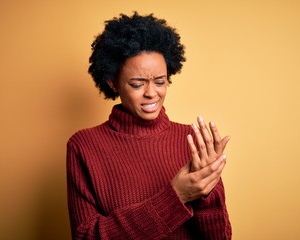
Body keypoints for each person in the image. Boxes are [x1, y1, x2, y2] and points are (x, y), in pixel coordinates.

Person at [66, 12, 232, 240]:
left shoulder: (193, 141)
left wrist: (207, 192)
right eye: (137, 84)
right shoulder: (84, 146)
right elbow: (86, 237)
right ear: (113, 83)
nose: (151, 93)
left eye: (160, 81)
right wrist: (175, 197)